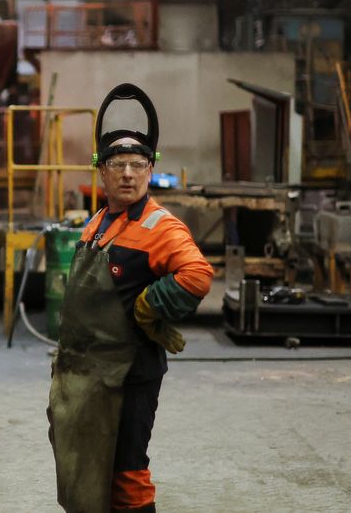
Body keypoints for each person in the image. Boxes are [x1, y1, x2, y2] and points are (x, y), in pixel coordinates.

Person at [47, 84, 213, 512]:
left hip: (131, 376)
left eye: (137, 165)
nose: (127, 174)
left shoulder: (161, 226)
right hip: (90, 376)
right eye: (117, 164)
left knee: (127, 472)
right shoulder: (98, 222)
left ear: (150, 169)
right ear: (100, 170)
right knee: (88, 470)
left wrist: (151, 304)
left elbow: (197, 274)